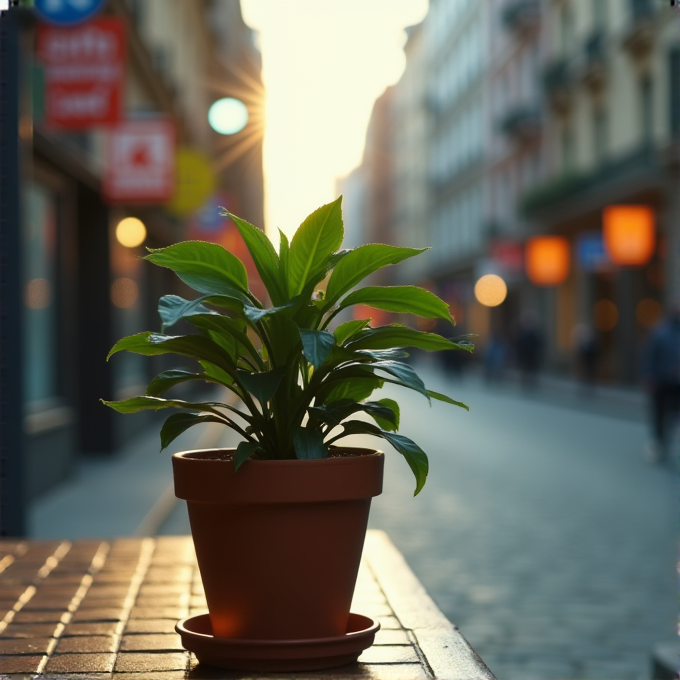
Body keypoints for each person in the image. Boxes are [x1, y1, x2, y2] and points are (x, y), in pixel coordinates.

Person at [642, 302, 680, 464]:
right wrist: (649, 376)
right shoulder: (660, 332)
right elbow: (650, 356)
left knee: (674, 416)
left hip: (677, 383)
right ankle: (659, 444)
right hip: (662, 381)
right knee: (659, 414)